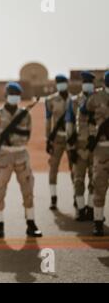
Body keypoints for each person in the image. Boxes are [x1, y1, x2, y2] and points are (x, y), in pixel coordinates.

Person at [0, 82, 42, 238]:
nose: (14, 97)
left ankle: (31, 224)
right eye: (11, 94)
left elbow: (28, 134)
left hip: (21, 155)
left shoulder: (25, 114)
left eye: (17, 94)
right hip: (4, 155)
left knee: (28, 189)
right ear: (6, 96)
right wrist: (2, 144)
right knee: (0, 189)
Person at [65, 71, 95, 221]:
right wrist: (70, 148)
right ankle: (80, 209)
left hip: (97, 148)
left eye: (90, 82)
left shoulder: (100, 99)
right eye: (85, 82)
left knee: (95, 180)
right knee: (78, 180)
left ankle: (91, 209)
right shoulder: (74, 101)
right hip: (79, 146)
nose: (87, 84)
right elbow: (69, 125)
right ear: (82, 84)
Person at [85, 71, 109, 236]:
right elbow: (84, 113)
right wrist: (93, 132)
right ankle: (98, 222)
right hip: (101, 147)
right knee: (99, 184)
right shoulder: (95, 98)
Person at [45, 75, 73, 210]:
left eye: (63, 82)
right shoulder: (50, 100)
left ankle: (76, 197)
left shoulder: (74, 99)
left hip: (71, 138)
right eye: (58, 82)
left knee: (74, 168)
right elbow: (47, 120)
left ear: (67, 83)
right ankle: (53, 198)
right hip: (56, 139)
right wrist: (47, 140)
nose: (61, 84)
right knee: (53, 168)